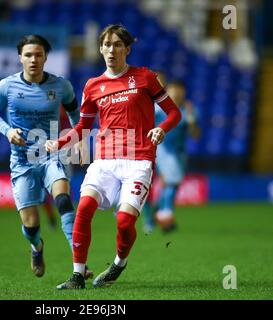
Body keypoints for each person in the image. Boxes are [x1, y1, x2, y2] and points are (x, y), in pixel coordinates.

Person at [45, 24, 182, 289]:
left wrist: (161, 129)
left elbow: (174, 113)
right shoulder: (93, 86)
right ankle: (77, 275)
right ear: (100, 49)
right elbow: (83, 128)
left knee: (124, 221)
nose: (111, 50)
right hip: (105, 161)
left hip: (139, 159)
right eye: (106, 45)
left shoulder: (145, 78)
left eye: (117, 44)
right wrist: (59, 142)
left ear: (127, 49)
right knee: (83, 208)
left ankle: (119, 263)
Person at [0, 34, 92, 279]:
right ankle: (37, 247)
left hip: (53, 154)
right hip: (22, 161)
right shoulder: (6, 86)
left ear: (45, 58)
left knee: (63, 201)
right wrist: (8, 130)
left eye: (38, 55)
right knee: (31, 226)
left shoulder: (61, 86)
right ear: (20, 58)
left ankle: (80, 265)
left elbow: (78, 116)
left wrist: (79, 140)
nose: (33, 59)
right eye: (28, 55)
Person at [146, 80, 201, 233]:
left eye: (179, 91)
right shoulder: (158, 109)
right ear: (167, 92)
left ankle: (153, 216)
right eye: (172, 91)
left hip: (180, 153)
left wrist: (191, 120)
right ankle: (166, 215)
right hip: (161, 149)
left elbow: (195, 135)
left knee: (171, 184)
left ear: (183, 93)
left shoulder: (189, 110)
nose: (176, 94)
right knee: (172, 181)